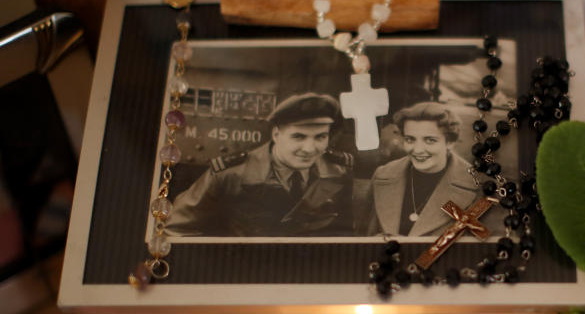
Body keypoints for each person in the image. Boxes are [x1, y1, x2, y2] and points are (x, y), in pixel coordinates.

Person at [166, 93, 353, 237]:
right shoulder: (231, 174)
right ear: (276, 134)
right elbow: (177, 229)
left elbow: (344, 232)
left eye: (321, 137)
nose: (310, 149)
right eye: (298, 136)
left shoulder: (338, 171)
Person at [366, 102, 481, 237]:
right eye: (410, 140)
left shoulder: (477, 185)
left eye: (430, 140)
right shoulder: (382, 175)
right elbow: (364, 237)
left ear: (450, 142)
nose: (418, 150)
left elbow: (481, 247)